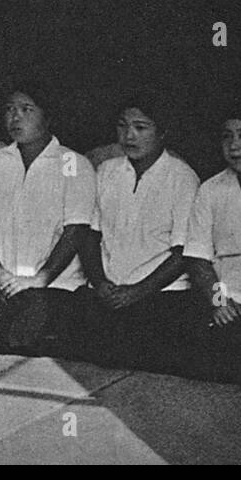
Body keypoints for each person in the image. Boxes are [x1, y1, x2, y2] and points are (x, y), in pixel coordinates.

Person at [66, 96, 202, 374]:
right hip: (107, 293)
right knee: (84, 363)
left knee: (141, 366)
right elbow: (91, 235)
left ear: (162, 132)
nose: (129, 136)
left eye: (141, 128)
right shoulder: (106, 171)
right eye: (123, 126)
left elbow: (183, 253)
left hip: (159, 296)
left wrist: (136, 292)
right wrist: (101, 282)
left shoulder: (182, 178)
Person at [0, 83, 95, 354]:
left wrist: (41, 278)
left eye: (26, 109)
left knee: (24, 340)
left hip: (54, 286)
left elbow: (75, 229)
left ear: (48, 117)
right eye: (9, 110)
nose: (15, 118)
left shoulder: (71, 162)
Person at [182, 106, 241, 384]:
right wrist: (219, 302)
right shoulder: (211, 189)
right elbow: (198, 257)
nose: (234, 146)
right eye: (226, 137)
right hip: (223, 299)